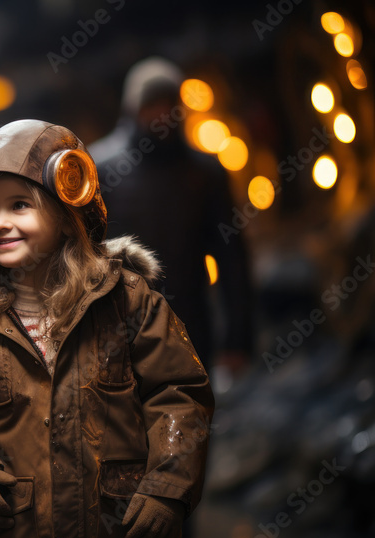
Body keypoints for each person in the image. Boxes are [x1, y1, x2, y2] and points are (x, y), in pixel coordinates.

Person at [0, 120, 214, 538]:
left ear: (68, 215)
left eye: (19, 205)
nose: (0, 223)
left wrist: (167, 486)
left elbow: (179, 394)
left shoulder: (126, 302)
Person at [89, 56, 253, 381]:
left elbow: (232, 257)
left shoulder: (204, 172)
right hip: (119, 333)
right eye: (152, 105)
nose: (161, 115)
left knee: (190, 423)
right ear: (133, 109)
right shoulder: (100, 170)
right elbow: (82, 258)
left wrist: (237, 338)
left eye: (168, 105)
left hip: (190, 326)